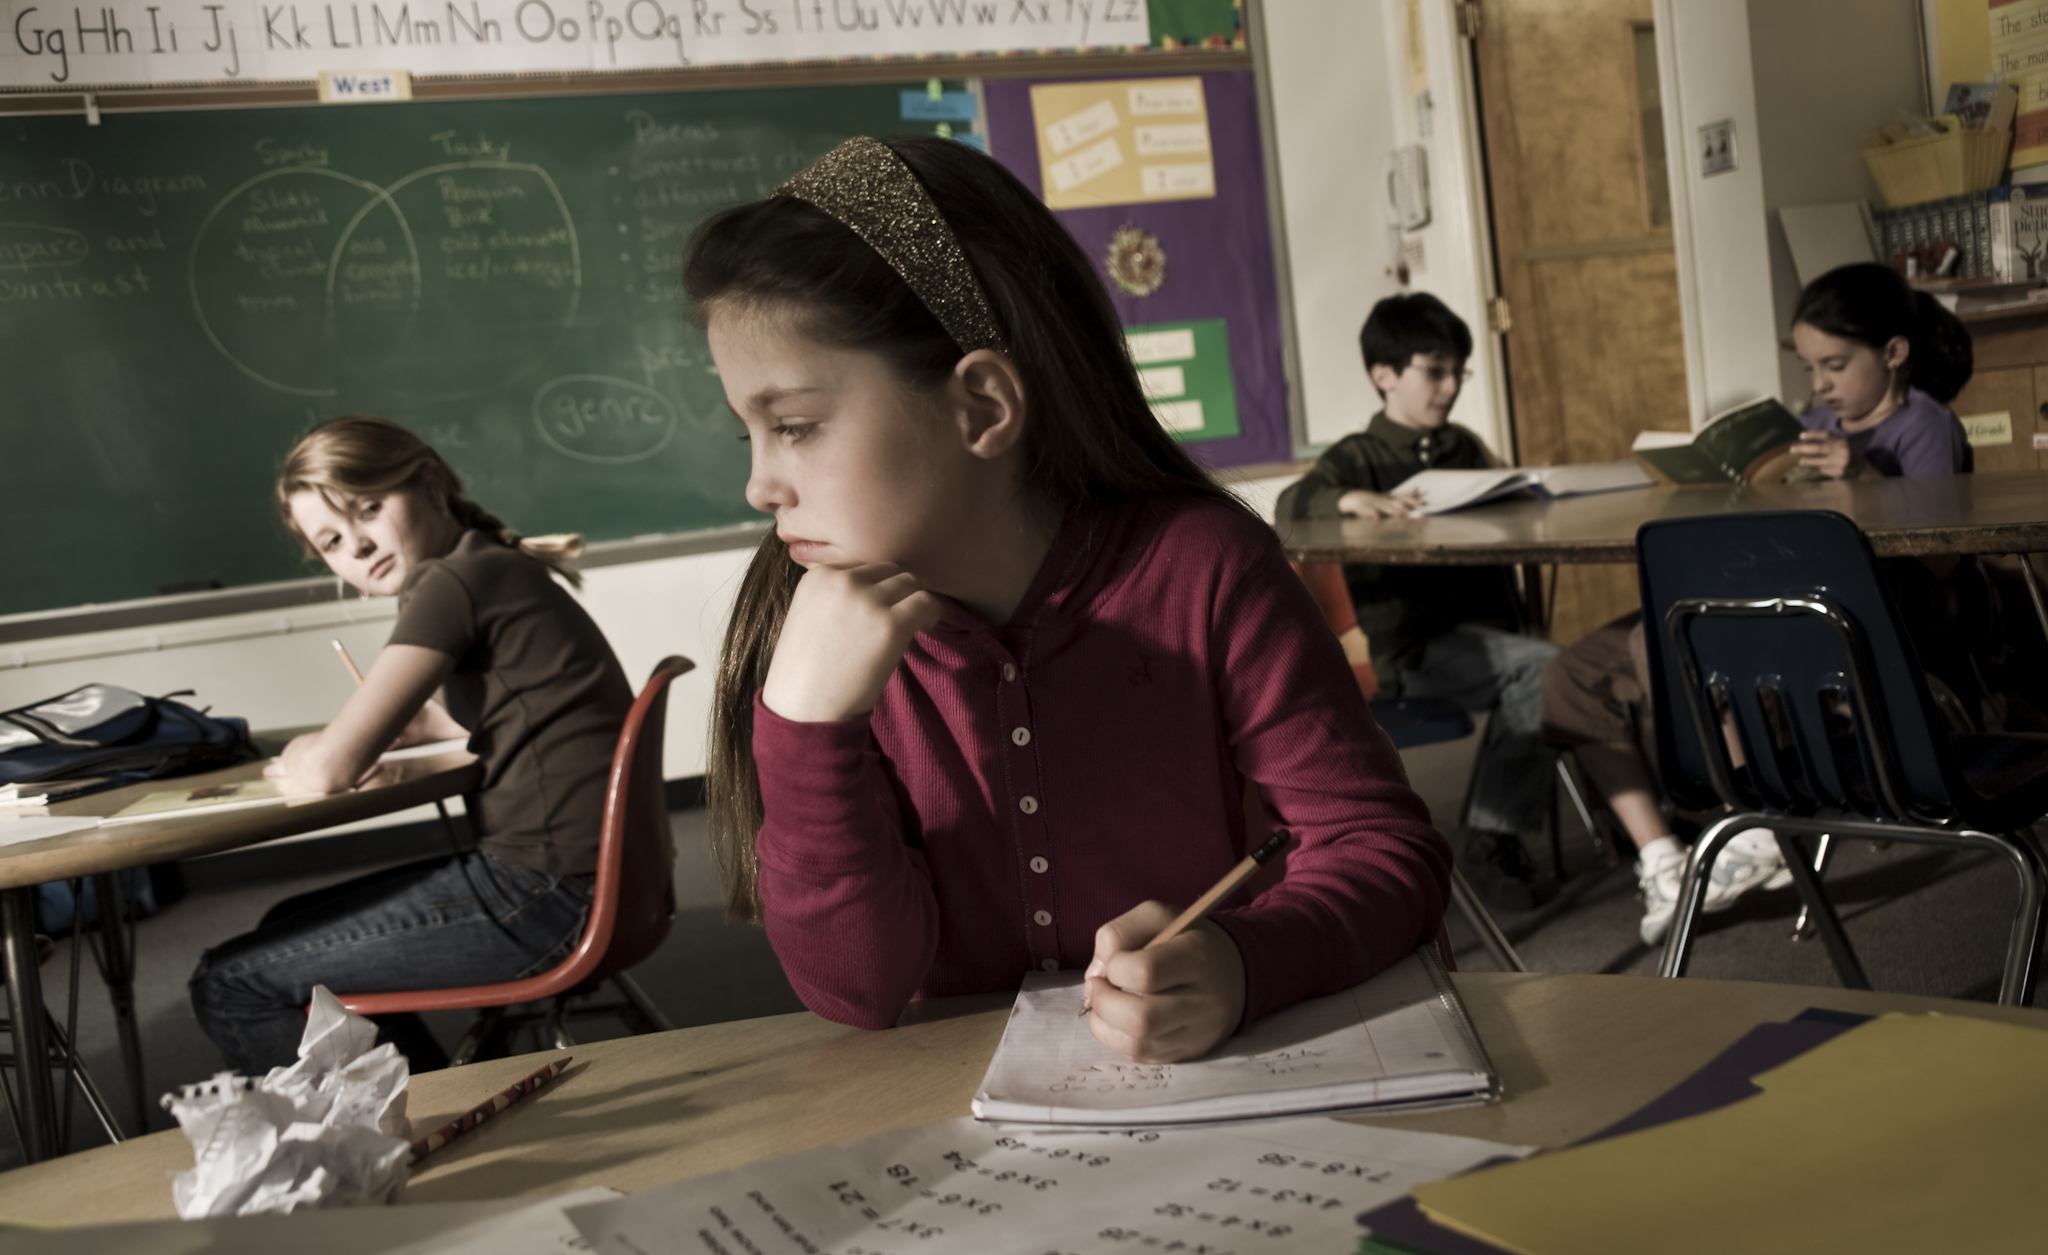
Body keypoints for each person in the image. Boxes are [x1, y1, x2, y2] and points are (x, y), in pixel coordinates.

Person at [690, 136, 1449, 1066]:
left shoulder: (1203, 567)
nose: (762, 486)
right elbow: (859, 990)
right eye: (749, 438)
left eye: (795, 427)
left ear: (983, 407)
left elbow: (1385, 850)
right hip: (965, 1148)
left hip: (1207, 1104)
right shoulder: (821, 641)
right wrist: (804, 730)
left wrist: (1243, 961)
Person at [1542, 262, 1977, 948]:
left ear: (1895, 353)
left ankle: (1754, 820)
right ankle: (1663, 855)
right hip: (1751, 597)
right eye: (1809, 368)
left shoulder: (1922, 427)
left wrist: (1862, 476)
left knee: (1663, 643)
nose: (1820, 386)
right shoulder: (1804, 427)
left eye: (1835, 364)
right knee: (1575, 673)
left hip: (1836, 629)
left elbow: (1944, 559)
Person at [188, 416, 634, 1072]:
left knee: (230, 983)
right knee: (289, 917)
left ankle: (403, 1125)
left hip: (547, 897)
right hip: (599, 882)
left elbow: (330, 770)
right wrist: (434, 723)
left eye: (369, 508)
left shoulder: (448, 583)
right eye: (333, 540)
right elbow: (528, 703)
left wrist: (299, 751)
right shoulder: (488, 564)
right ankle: (421, 1095)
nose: (360, 547)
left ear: (428, 482)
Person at [1272, 293, 1557, 911]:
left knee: (1550, 666)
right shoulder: (1358, 457)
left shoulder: (1463, 446)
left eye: (1458, 371)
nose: (1451, 387)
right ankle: (1494, 832)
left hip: (1494, 634)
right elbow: (1292, 504)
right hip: (1418, 650)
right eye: (1435, 371)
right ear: (1385, 376)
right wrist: (1345, 500)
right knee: (1547, 669)